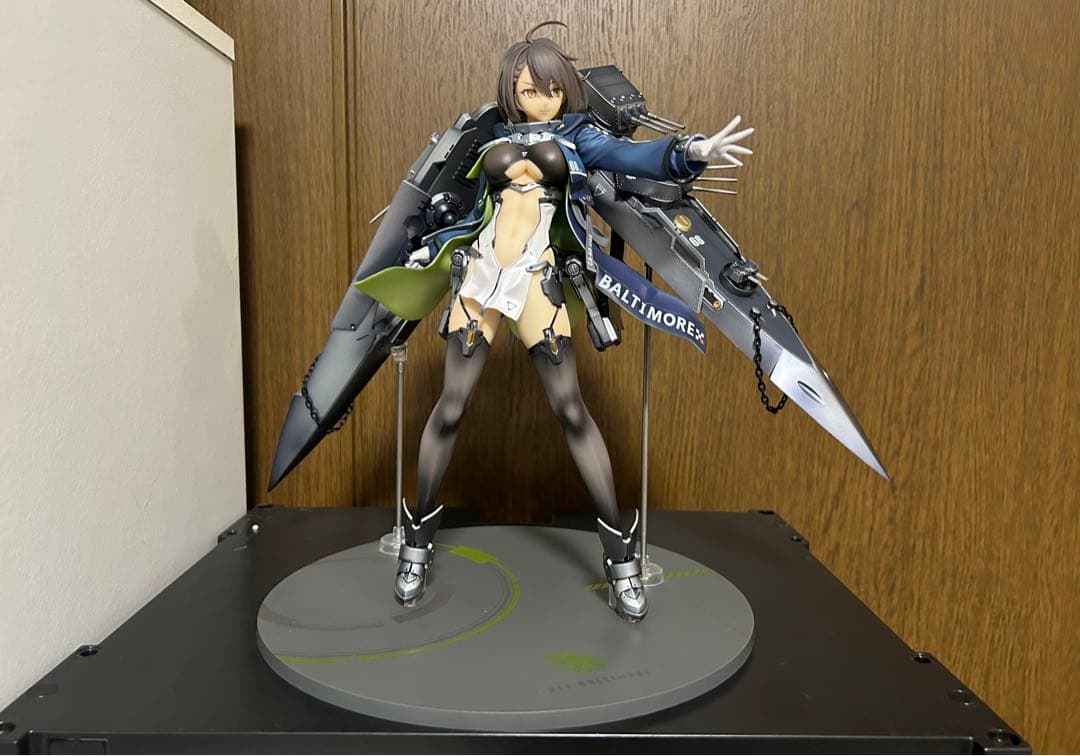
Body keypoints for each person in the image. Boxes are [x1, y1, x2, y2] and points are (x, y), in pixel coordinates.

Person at [355, 21, 753, 621]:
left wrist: (691, 151)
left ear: (564, 90)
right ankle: (417, 543)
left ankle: (620, 557)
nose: (537, 99)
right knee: (451, 405)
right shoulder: (490, 134)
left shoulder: (578, 136)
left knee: (570, 409)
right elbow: (450, 198)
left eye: (548, 89)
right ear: (511, 91)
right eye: (525, 89)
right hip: (481, 274)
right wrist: (423, 237)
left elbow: (633, 155)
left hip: (538, 275)